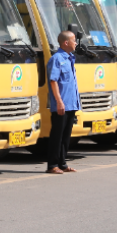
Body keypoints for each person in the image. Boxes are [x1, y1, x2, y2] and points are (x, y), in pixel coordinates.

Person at [46, 30, 80, 175]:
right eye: (74, 40)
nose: (76, 43)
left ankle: (63, 163)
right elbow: (53, 81)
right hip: (61, 105)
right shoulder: (57, 59)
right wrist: (59, 102)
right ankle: (52, 165)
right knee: (57, 136)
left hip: (71, 104)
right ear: (66, 43)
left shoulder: (70, 58)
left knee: (66, 137)